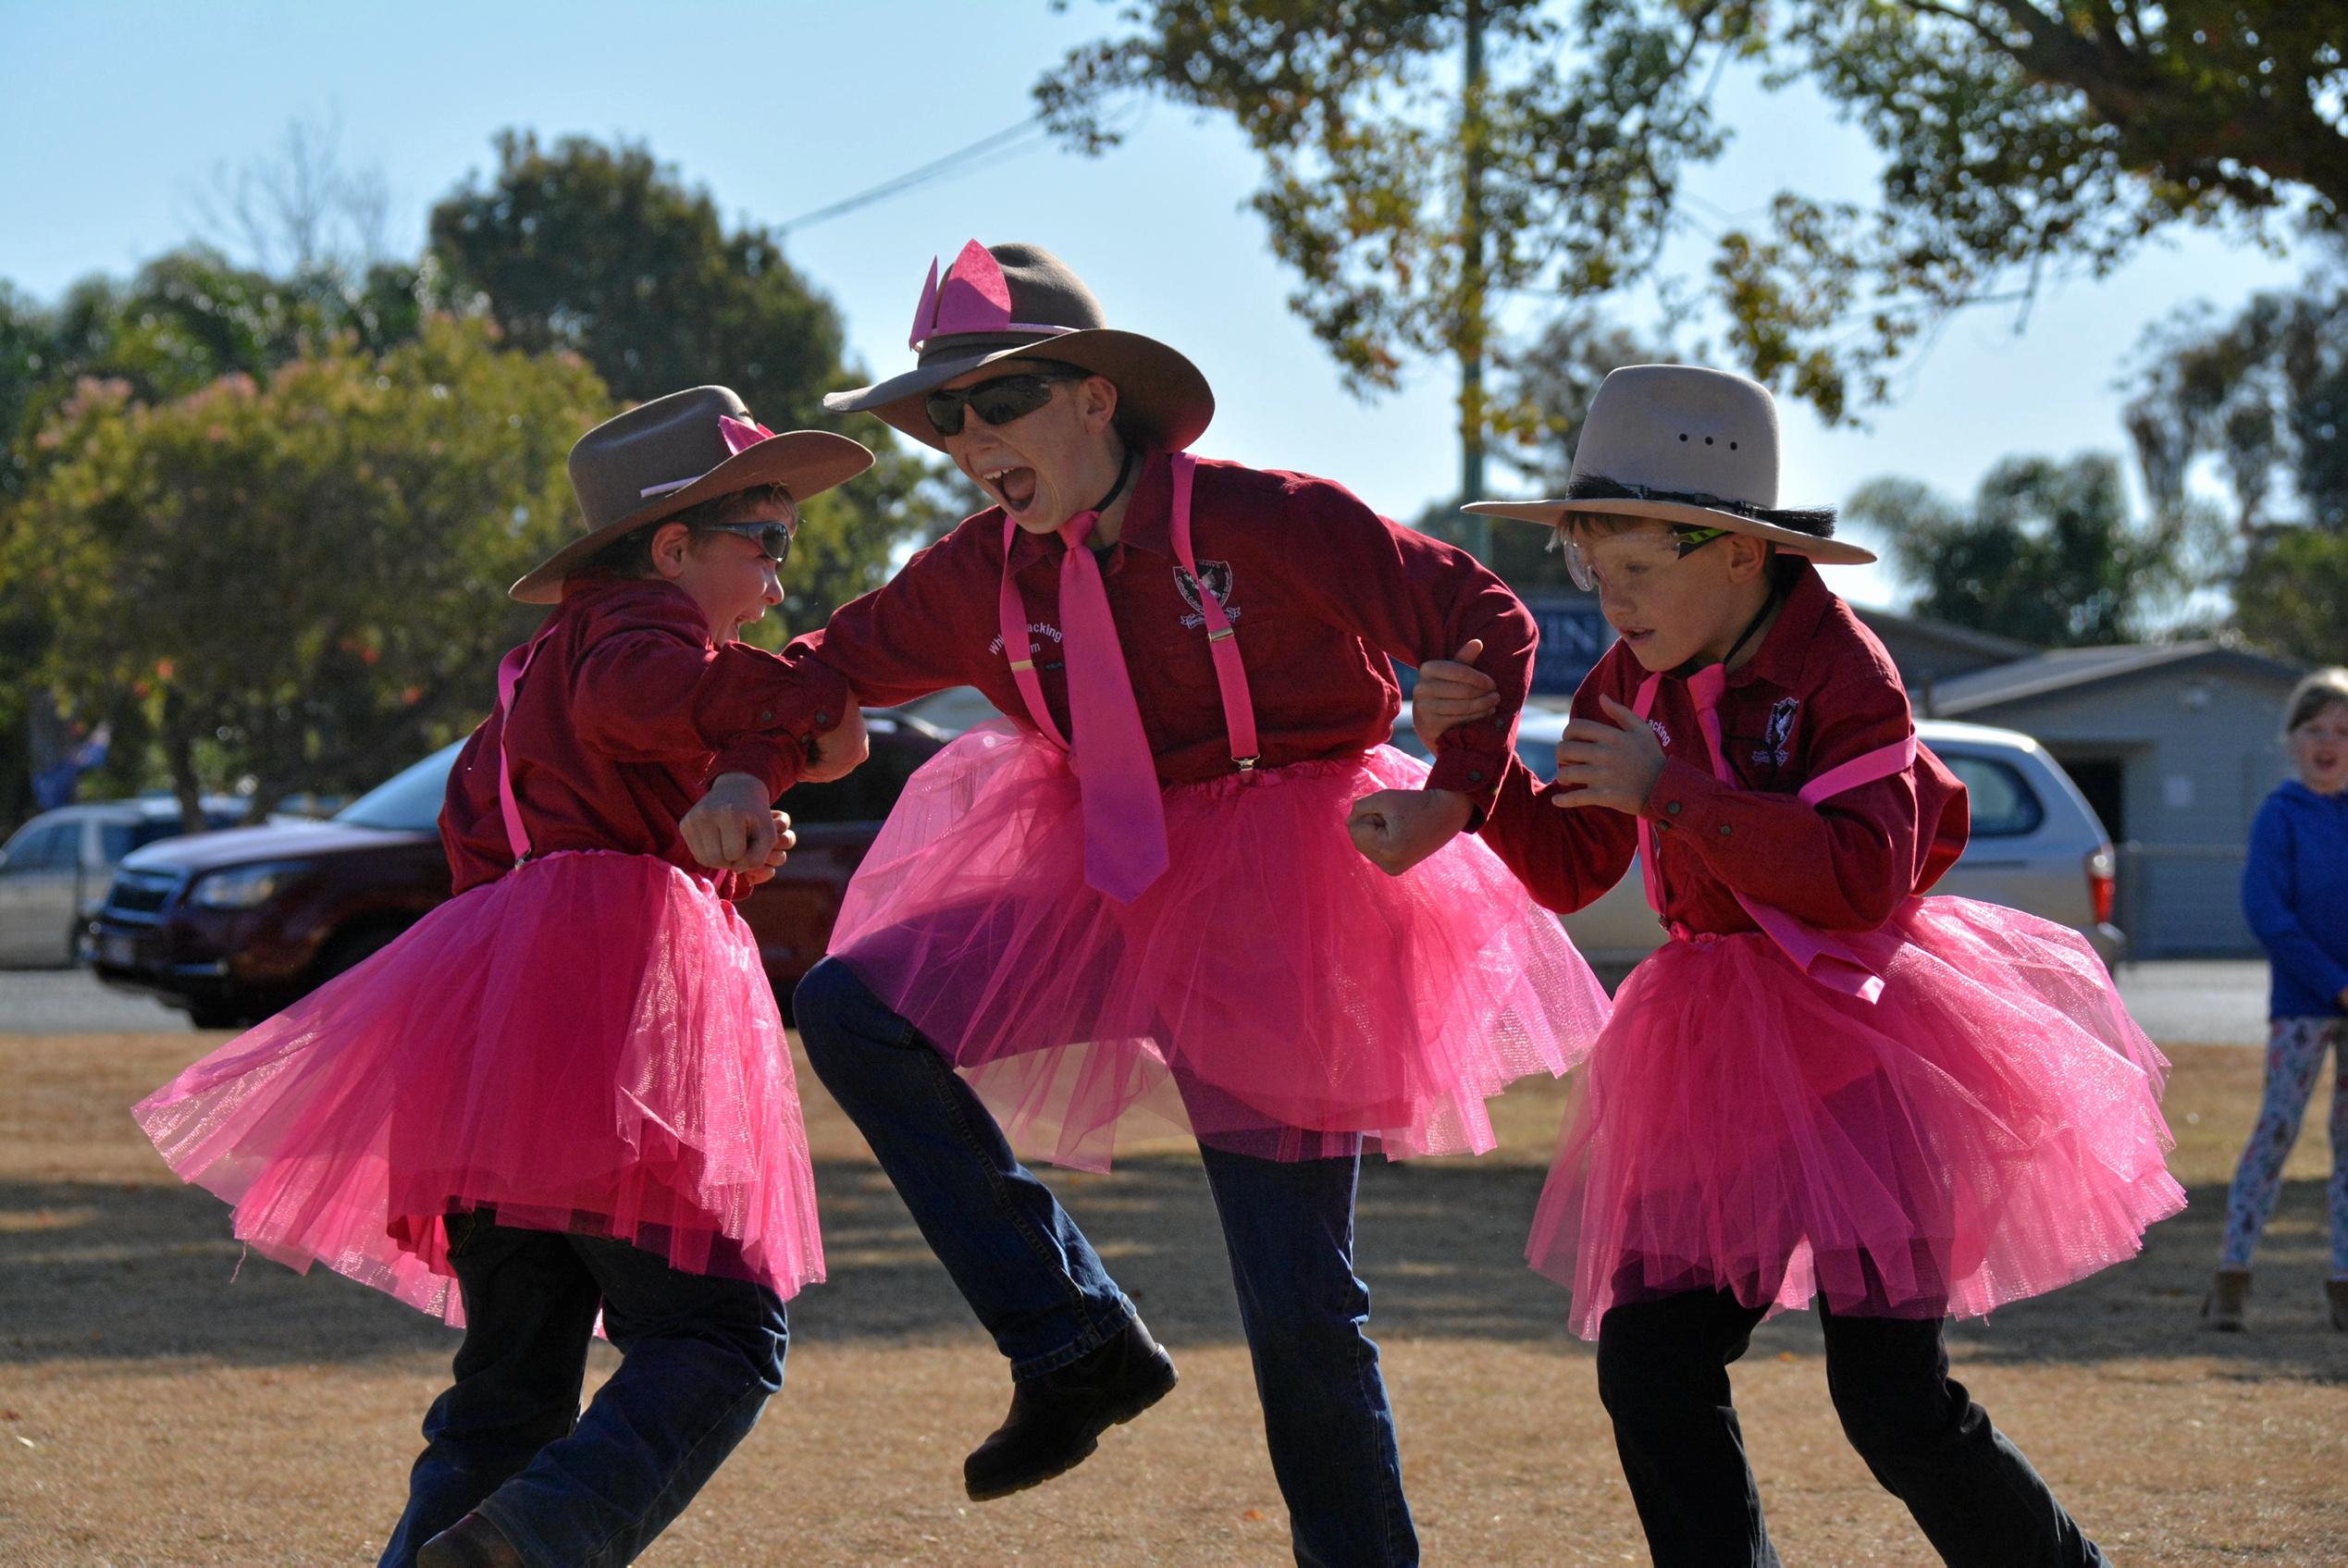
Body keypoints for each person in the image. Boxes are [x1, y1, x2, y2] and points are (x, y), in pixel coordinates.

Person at [788, 240, 1612, 1567]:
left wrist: (1455, 792)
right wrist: (703, 735)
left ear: (1095, 399)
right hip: (1101, 882)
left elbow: (1480, 610)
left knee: (1294, 1298)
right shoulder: (975, 573)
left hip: (1286, 894)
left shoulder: (1267, 519)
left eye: (996, 400)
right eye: (942, 415)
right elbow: (817, 666)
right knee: (850, 1005)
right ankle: (1073, 1336)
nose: (964, 436)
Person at [1407, 364, 2182, 1567]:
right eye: (1587, 566)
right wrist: (1481, 760)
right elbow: (1569, 864)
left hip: (1866, 1041)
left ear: (1732, 550)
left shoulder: (1842, 668)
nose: (1606, 600)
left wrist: (1680, 793)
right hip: (1712, 1048)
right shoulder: (1628, 676)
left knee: (1889, 1400)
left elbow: (1864, 877)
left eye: (1633, 567)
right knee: (1651, 1362)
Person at [133, 387, 871, 1568]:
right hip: (601, 1025)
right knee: (724, 1333)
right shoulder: (645, 639)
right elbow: (713, 703)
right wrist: (797, 710)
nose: (783, 583)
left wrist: (715, 824)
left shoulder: (532, 679)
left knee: (507, 1397)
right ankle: (538, 1540)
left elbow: (510, 836)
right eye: (769, 542)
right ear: (673, 547)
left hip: (496, 1055)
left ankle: (474, 1541)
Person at [2206, 666, 2348, 1331]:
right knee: (2277, 1132)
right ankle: (2232, 1277)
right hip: (2303, 1005)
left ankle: (2343, 1282)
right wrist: (2334, 982)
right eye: (2315, 728)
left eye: (2343, 730)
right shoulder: (2281, 815)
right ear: (2291, 740)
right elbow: (2268, 910)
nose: (2329, 741)